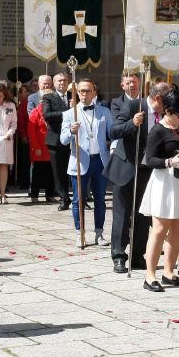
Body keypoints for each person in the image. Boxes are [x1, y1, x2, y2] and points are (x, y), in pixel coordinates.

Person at [106, 81, 171, 273]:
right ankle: (119, 256)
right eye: (167, 101)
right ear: (158, 98)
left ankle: (137, 255)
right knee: (122, 215)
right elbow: (113, 131)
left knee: (143, 216)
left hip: (147, 170)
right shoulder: (134, 106)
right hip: (126, 167)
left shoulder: (163, 115)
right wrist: (132, 123)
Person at [138, 84, 179, 291]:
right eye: (178, 114)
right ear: (168, 112)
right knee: (159, 229)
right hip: (163, 182)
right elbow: (149, 160)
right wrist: (169, 162)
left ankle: (169, 271)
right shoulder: (157, 131)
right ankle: (150, 275)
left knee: (177, 227)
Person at [61, 78, 112, 248]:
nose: (83, 94)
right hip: (80, 161)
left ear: (93, 93)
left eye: (87, 91)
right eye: (80, 91)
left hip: (99, 160)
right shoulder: (70, 113)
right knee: (78, 200)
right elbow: (62, 140)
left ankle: (99, 232)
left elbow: (112, 133)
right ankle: (80, 233)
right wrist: (70, 131)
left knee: (100, 199)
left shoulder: (104, 112)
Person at [42, 73, 71, 210]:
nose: (62, 83)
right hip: (56, 139)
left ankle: (80, 197)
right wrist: (68, 112)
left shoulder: (73, 96)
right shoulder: (49, 97)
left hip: (73, 139)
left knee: (73, 170)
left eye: (65, 81)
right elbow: (47, 115)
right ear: (54, 83)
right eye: (59, 81)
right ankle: (64, 198)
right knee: (59, 171)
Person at [27, 91, 55, 203]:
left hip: (50, 147)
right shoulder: (35, 112)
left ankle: (50, 195)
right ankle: (34, 195)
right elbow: (31, 132)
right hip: (39, 148)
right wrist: (36, 147)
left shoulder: (52, 111)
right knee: (37, 174)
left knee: (51, 173)